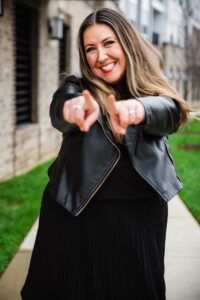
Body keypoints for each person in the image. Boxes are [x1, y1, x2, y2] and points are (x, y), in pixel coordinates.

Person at [21, 8, 190, 300]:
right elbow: (61, 110)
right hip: (75, 218)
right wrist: (73, 110)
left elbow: (171, 112)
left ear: (127, 42)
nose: (100, 56)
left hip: (138, 220)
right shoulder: (77, 88)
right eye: (90, 48)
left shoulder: (151, 91)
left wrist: (138, 110)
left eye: (108, 43)